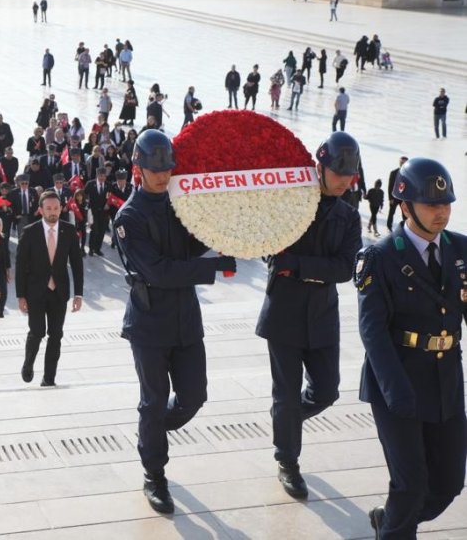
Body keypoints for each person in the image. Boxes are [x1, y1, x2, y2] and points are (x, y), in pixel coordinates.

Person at [114, 129, 236, 514]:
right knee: (152, 401)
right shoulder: (128, 218)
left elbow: (192, 242)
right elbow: (160, 271)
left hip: (185, 319)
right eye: (155, 169)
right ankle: (155, 473)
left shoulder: (178, 204)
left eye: (166, 168)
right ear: (138, 168)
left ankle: (152, 432)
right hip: (149, 324)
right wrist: (212, 267)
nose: (163, 176)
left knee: (194, 396)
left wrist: (225, 234)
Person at [355, 158, 465, 539]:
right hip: (398, 381)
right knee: (411, 483)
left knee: (449, 482)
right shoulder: (380, 257)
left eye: (446, 204)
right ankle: (396, 529)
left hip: (447, 380)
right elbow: (372, 332)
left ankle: (391, 521)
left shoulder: (461, 249)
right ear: (405, 206)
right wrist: (395, 390)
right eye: (432, 205)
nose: (441, 213)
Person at [256, 132, 363, 499]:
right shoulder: (290, 202)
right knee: (286, 394)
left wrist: (298, 265)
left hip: (321, 315)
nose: (345, 180)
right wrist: (288, 262)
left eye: (349, 174)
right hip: (283, 312)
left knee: (327, 390)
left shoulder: (349, 217)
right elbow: (268, 249)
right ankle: (288, 461)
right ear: (319, 166)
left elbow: (345, 268)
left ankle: (284, 422)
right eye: (338, 172)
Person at [16, 190, 83, 386]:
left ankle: (49, 377)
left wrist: (78, 294)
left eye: (56, 208)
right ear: (40, 210)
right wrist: (20, 296)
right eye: (48, 208)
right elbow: (20, 266)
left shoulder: (69, 231)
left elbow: (77, 265)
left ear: (61, 208)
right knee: (37, 331)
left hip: (59, 292)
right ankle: (28, 364)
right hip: (35, 291)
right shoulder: (29, 232)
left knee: (56, 334)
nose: (53, 212)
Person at [386, 156, 408, 232]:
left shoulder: (409, 174)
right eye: (401, 162)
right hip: (394, 197)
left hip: (403, 198)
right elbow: (390, 186)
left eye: (404, 163)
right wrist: (390, 198)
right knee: (391, 213)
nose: (402, 164)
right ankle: (389, 226)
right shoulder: (393, 173)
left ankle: (405, 228)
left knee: (405, 214)